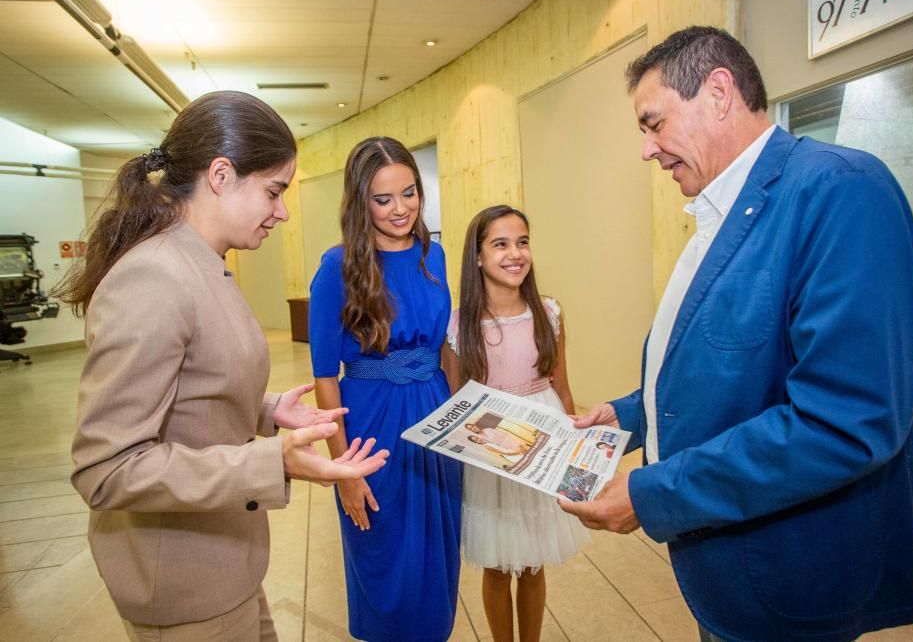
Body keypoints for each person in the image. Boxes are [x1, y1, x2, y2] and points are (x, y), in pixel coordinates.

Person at [559, 26, 913, 641]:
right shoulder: (722, 211)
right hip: (730, 577)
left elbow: (843, 422)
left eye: (653, 124)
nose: (647, 150)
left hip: (790, 577)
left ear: (719, 92)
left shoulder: (839, 190)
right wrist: (628, 417)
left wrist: (652, 495)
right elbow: (732, 369)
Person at [62, 91, 389, 641]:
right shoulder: (154, 277)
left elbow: (189, 387)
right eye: (274, 191)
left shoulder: (203, 263)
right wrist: (274, 463)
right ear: (220, 175)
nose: (282, 211)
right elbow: (106, 469)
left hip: (224, 561)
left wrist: (265, 411)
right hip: (183, 581)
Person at [308, 136, 461, 641]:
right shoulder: (337, 267)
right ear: (360, 202)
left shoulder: (432, 254)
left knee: (437, 553)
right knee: (383, 550)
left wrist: (467, 418)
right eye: (383, 199)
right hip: (371, 427)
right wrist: (342, 469)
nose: (401, 209)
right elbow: (325, 377)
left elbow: (444, 347)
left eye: (410, 192)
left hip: (435, 413)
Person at [442, 205, 589, 642]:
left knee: (531, 559)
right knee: (497, 560)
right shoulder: (458, 324)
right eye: (500, 244)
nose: (515, 253)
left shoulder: (549, 312)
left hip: (543, 434)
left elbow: (563, 388)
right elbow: (455, 401)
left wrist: (576, 452)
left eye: (522, 242)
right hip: (492, 442)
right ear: (478, 256)